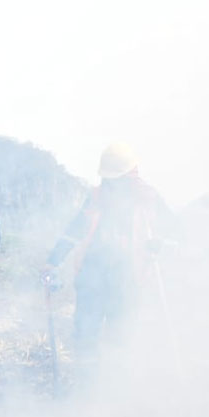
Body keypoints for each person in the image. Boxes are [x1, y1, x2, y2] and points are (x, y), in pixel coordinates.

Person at [43, 143, 176, 391]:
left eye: (116, 180)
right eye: (108, 180)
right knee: (85, 333)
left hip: (127, 280)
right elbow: (74, 231)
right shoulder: (96, 197)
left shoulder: (149, 199)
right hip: (92, 278)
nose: (111, 186)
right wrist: (53, 259)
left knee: (120, 336)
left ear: (130, 175)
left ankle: (115, 390)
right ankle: (88, 386)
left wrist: (161, 243)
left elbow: (176, 232)